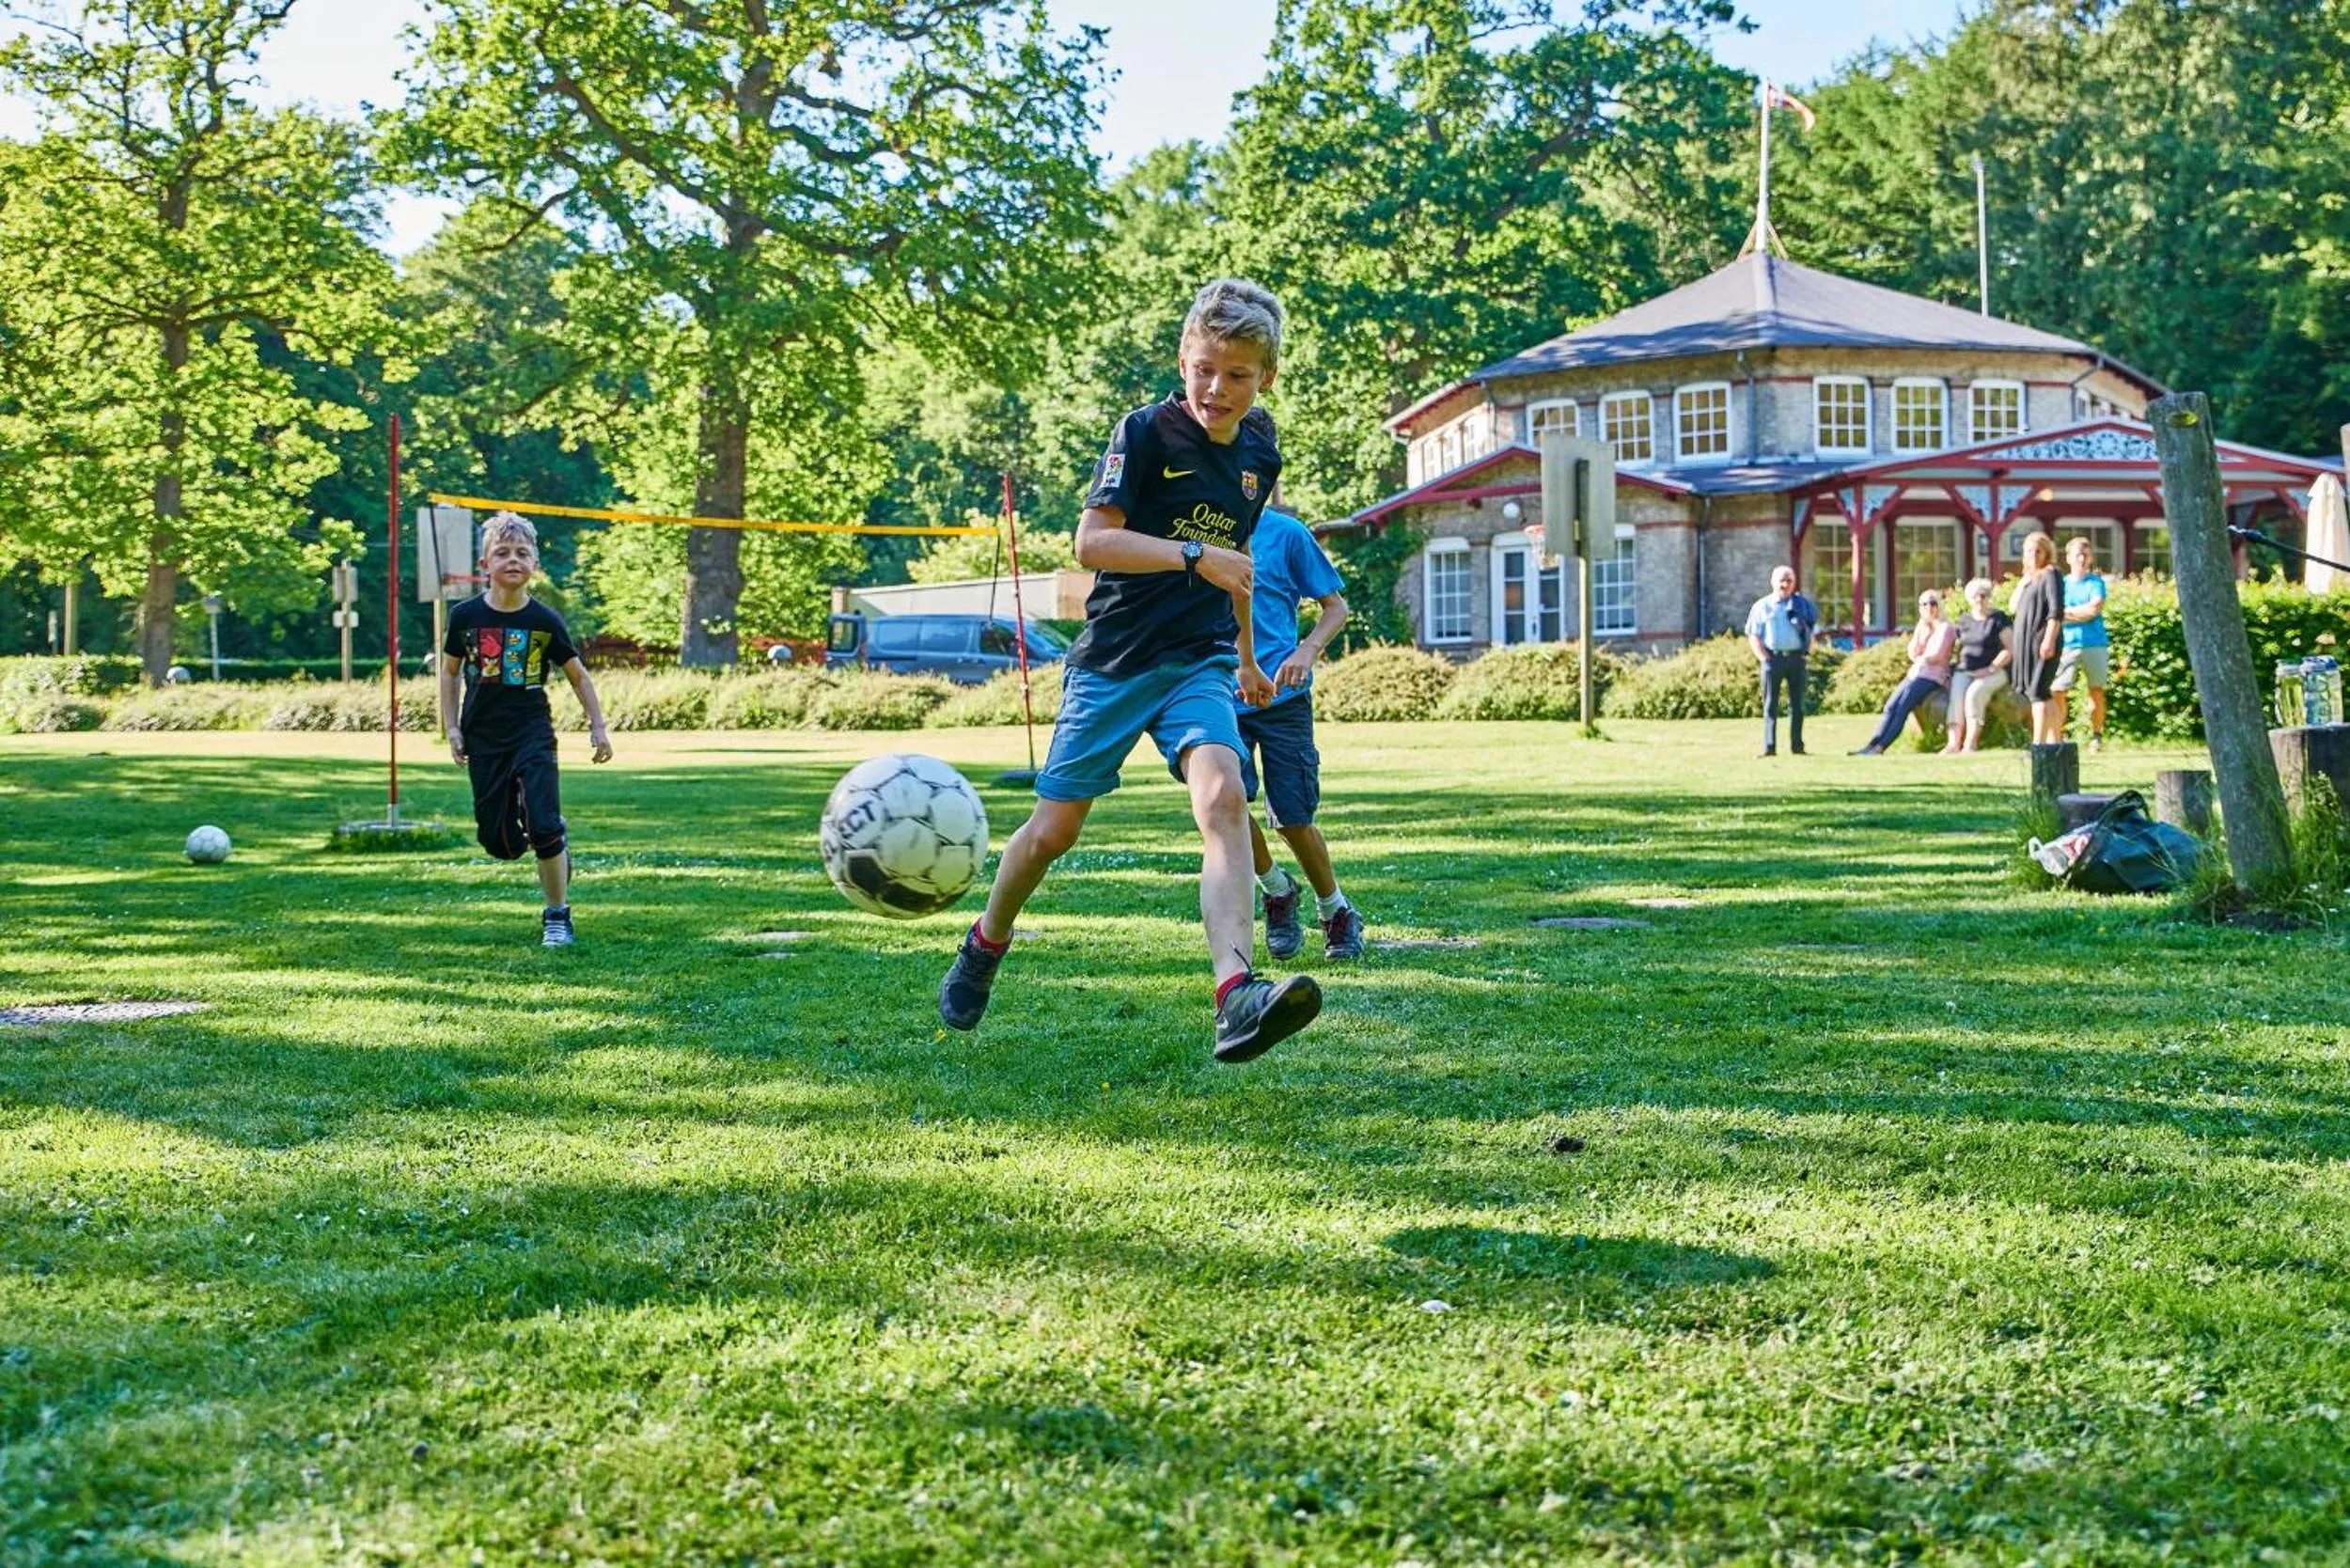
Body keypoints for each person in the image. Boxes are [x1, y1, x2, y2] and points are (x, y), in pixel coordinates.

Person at [936, 277, 1322, 1064]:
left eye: (1237, 375)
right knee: (1053, 832)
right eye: (1204, 369)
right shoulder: (1145, 433)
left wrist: (1248, 657)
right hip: (1115, 659)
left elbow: (1238, 569)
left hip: (1199, 662)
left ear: (1267, 377)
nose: (1217, 389)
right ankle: (985, 942)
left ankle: (1235, 994)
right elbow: (1092, 543)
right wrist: (1193, 554)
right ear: (1183, 361)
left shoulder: (1259, 452)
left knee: (1224, 797)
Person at [440, 511, 613, 947]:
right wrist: (452, 728)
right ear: (485, 564)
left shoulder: (545, 620)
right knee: (497, 841)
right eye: (502, 553)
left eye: (522, 553)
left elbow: (578, 676)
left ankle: (557, 915)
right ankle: (543, 833)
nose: (513, 560)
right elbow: (450, 673)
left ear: (535, 563)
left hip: (532, 731)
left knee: (544, 826)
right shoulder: (465, 617)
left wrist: (598, 727)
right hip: (483, 735)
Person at [1236, 498, 1362, 963]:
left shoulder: (1287, 534)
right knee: (1222, 804)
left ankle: (1336, 911)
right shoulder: (1193, 531)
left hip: (1282, 698)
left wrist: (1307, 650)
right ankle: (1276, 888)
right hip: (1217, 697)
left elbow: (1335, 608)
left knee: (1292, 818)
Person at [1852, 589, 1956, 754]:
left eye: (1933, 603)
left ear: (1939, 606)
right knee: (1890, 706)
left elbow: (1937, 656)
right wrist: (1922, 634)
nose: (1929, 607)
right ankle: (1870, 746)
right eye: (1924, 604)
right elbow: (1912, 652)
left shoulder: (1946, 628)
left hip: (1933, 677)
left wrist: (1921, 657)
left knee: (1903, 706)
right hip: (1915, 674)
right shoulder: (1923, 627)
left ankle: (1880, 747)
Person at [1745, 564, 1819, 757]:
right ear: (1773, 582)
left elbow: (1812, 629)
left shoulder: (1803, 605)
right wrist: (1763, 657)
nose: (1785, 584)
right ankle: (1769, 747)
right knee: (1770, 705)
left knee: (1798, 705)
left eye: (1789, 580)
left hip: (1796, 659)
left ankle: (1797, 747)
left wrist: (1807, 650)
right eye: (1782, 581)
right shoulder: (1762, 606)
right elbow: (1753, 634)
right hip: (1773, 659)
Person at [2008, 531, 2067, 744]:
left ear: (2046, 553)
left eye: (2038, 551)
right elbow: (2012, 606)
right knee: (2043, 693)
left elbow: (2056, 611)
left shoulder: (2051, 574)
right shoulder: (2029, 580)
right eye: (2029, 551)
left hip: (2043, 642)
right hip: (2028, 644)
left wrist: (2049, 640)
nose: (2034, 555)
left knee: (2037, 693)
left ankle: (2038, 744)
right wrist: (2024, 580)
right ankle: (2055, 744)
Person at [1943, 577, 2013, 754]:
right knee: (1957, 696)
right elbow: (1954, 646)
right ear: (1970, 599)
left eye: (1983, 595)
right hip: (1966, 670)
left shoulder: (1999, 619)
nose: (1979, 599)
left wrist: (1990, 669)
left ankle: (1970, 743)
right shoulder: (1964, 620)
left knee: (1975, 693)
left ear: (1988, 597)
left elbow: (2010, 649)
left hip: (1995, 670)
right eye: (1975, 596)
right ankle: (1953, 744)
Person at [2056, 535, 2112, 750]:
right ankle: (2058, 736)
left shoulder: (2096, 583)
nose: (2082, 559)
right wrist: (2081, 613)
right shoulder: (2061, 584)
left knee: (2096, 690)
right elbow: (2055, 612)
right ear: (2068, 557)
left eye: (2086, 555)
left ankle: (2096, 736)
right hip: (2067, 644)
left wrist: (2067, 614)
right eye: (2078, 554)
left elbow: (2094, 609)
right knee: (2058, 690)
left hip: (2094, 643)